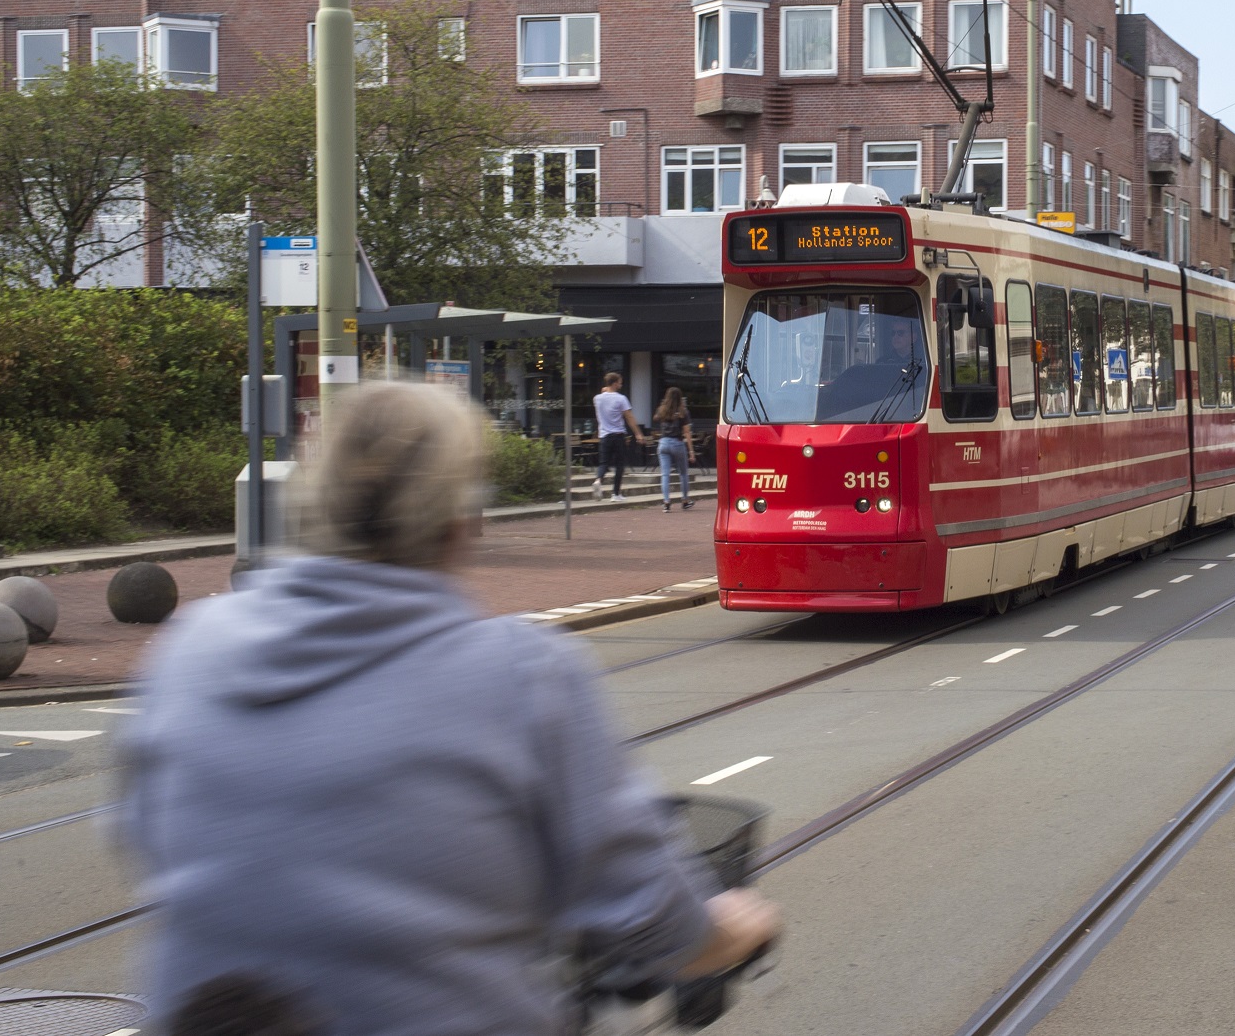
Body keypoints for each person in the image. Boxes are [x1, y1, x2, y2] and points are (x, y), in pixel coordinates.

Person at [121, 381, 779, 1036]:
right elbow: (644, 909)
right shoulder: (522, 674)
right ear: (461, 523)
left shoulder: (191, 649)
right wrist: (731, 930)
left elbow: (142, 836)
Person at [593, 371, 649, 501]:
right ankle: (615, 494)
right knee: (619, 464)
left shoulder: (597, 399)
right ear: (614, 383)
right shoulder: (621, 399)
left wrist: (605, 390)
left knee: (603, 463)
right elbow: (629, 417)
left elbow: (604, 393)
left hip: (604, 436)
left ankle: (598, 480)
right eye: (619, 382)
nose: (621, 384)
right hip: (618, 435)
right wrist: (638, 433)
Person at [656, 386, 695, 512]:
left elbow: (656, 418)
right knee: (683, 473)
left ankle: (666, 502)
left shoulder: (662, 410)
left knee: (665, 474)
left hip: (663, 442)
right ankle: (684, 500)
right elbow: (687, 432)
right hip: (677, 443)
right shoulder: (683, 412)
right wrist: (691, 451)